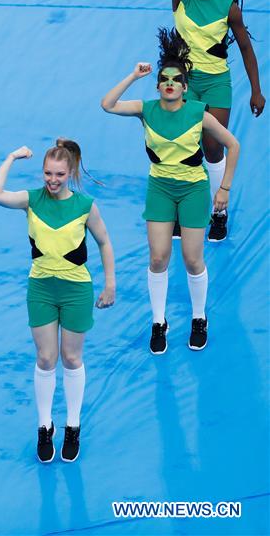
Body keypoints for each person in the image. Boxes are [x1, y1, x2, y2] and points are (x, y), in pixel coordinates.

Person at [101, 28, 239, 354]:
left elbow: (233, 145)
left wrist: (225, 189)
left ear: (185, 87)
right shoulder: (146, 109)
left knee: (192, 259)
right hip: (160, 188)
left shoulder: (198, 112)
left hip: (193, 189)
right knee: (158, 257)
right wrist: (134, 75)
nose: (170, 84)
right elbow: (107, 104)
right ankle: (159, 322)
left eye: (176, 80)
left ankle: (199, 318)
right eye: (164, 79)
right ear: (158, 83)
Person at [0, 140, 116, 464]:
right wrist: (11, 156)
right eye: (47, 173)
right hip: (42, 288)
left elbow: (104, 241)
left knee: (71, 358)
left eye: (59, 174)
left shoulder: (86, 205)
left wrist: (110, 283)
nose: (52, 180)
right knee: (46, 358)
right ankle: (45, 426)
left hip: (76, 290)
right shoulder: (31, 200)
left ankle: (73, 425)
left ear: (70, 172)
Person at [142, 0, 262, 241]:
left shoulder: (228, 7)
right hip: (184, 84)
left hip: (216, 84)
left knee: (212, 147)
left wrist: (256, 90)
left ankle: (219, 213)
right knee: (184, 146)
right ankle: (186, 212)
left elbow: (246, 48)